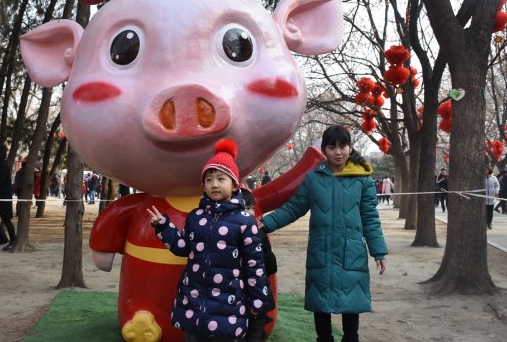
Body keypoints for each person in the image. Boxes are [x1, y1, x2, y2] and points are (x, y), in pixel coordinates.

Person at [259, 125, 388, 342]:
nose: (338, 152)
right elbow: (293, 208)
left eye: (343, 146)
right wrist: (264, 223)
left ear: (350, 147)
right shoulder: (313, 179)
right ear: (325, 150)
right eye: (332, 147)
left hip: (352, 251)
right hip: (322, 251)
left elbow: (370, 218)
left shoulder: (363, 180)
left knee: (351, 302)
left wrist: (379, 251)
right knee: (320, 302)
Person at [146, 139, 271, 342]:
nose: (214, 184)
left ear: (234, 184)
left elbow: (254, 265)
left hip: (228, 305)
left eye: (221, 178)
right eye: (209, 179)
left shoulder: (245, 221)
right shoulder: (195, 217)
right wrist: (163, 226)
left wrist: (258, 301)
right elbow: (182, 248)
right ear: (203, 186)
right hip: (193, 301)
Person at [241, 188, 277, 342]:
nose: (249, 213)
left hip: (245, 298)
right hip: (255, 295)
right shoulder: (258, 232)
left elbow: (270, 263)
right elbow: (271, 265)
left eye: (251, 208)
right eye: (245, 208)